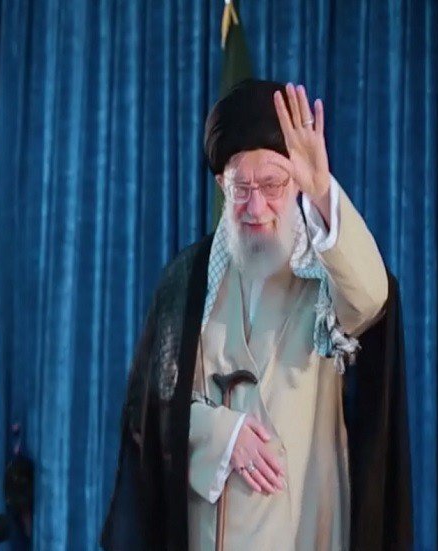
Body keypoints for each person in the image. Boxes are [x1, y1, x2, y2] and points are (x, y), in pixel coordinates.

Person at [101, 79, 412, 550]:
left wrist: (323, 191)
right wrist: (220, 435)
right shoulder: (188, 283)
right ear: (221, 187)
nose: (256, 206)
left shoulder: (327, 276)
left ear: (297, 182)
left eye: (272, 185)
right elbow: (153, 410)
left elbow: (372, 298)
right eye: (241, 188)